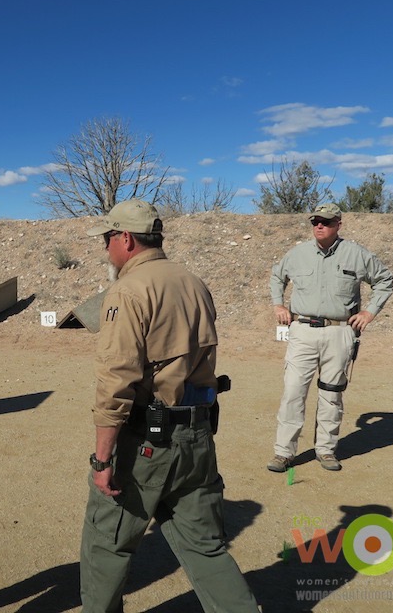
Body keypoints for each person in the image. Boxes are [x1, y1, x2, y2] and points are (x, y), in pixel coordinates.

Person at [79, 199, 259, 613]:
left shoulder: (127, 290)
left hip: (147, 440)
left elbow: (116, 381)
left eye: (108, 238)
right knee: (206, 549)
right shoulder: (193, 282)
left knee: (106, 546)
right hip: (196, 435)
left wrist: (102, 459)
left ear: (125, 238)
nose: (105, 248)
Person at [268, 203, 393, 473]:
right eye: (315, 221)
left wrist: (369, 312)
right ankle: (283, 453)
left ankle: (325, 450)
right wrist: (279, 305)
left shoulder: (357, 254)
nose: (319, 226)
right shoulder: (298, 254)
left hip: (340, 333)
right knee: (293, 392)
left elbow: (385, 280)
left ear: (339, 223)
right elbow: (277, 276)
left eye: (325, 221)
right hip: (302, 331)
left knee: (331, 394)